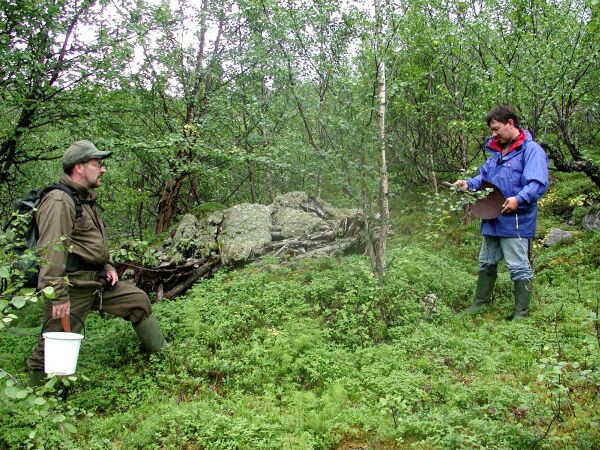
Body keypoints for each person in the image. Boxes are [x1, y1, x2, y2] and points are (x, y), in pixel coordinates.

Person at [27, 140, 166, 386]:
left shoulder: (85, 199)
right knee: (54, 347)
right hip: (72, 287)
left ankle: (163, 356)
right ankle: (38, 405)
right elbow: (50, 251)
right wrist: (57, 295)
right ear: (79, 167)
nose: (102, 169)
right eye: (97, 164)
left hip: (97, 282)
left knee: (137, 301)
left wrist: (109, 266)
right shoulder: (59, 201)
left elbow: (94, 242)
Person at [454, 105, 549, 320]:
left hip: (515, 220)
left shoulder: (531, 150)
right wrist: (467, 184)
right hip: (492, 219)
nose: (493, 134)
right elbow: (483, 179)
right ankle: (479, 305)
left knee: (518, 267)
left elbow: (537, 183)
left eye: (496, 129)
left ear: (510, 123)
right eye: (492, 131)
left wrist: (519, 199)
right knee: (486, 262)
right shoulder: (497, 154)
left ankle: (521, 314)